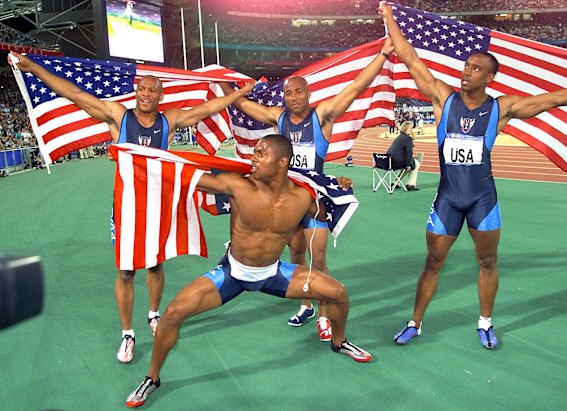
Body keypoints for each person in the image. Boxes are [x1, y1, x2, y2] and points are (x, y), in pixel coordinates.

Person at [8, 50, 254, 361]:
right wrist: (30, 66)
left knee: (155, 264)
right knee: (126, 271)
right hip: (127, 207)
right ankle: (127, 334)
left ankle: (153, 314)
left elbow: (207, 108)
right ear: (136, 92)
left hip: (158, 204)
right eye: (142, 89)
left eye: (152, 90)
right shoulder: (118, 116)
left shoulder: (170, 120)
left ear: (160, 94)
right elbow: (73, 93)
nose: (146, 94)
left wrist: (240, 94)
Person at [379, 4, 567, 349]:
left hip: (482, 200)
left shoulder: (501, 108)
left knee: (487, 261)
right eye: (466, 66)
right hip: (448, 198)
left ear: (489, 78)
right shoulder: (444, 97)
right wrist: (388, 18)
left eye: (475, 69)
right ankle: (415, 321)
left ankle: (485, 322)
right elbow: (411, 58)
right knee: (432, 261)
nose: (466, 72)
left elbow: (557, 99)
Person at [125, 135, 371, 407]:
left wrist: (340, 187)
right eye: (254, 152)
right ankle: (152, 377)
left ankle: (339, 342)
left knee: (338, 293)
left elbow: (323, 212)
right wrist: (136, 159)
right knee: (172, 314)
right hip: (232, 274)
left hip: (274, 273)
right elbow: (187, 175)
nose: (253, 158)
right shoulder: (237, 186)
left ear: (282, 162)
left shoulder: (303, 197)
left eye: (261, 153)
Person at [220, 36, 394, 342]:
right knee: (296, 254)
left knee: (318, 256)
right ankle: (305, 305)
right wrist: (225, 86)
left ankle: (325, 314)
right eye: (288, 93)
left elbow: (355, 89)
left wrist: (382, 55)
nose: (292, 97)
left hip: (314, 200)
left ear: (308, 93)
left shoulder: (322, 116)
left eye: (298, 91)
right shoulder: (279, 117)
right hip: (285, 199)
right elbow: (246, 106)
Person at [385, 121, 424, 191]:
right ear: (406, 128)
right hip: (397, 163)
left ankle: (395, 182)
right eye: (410, 128)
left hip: (390, 162)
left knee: (408, 165)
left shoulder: (399, 137)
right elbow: (409, 153)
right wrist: (408, 164)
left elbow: (399, 152)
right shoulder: (407, 139)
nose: (412, 130)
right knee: (415, 164)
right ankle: (410, 184)